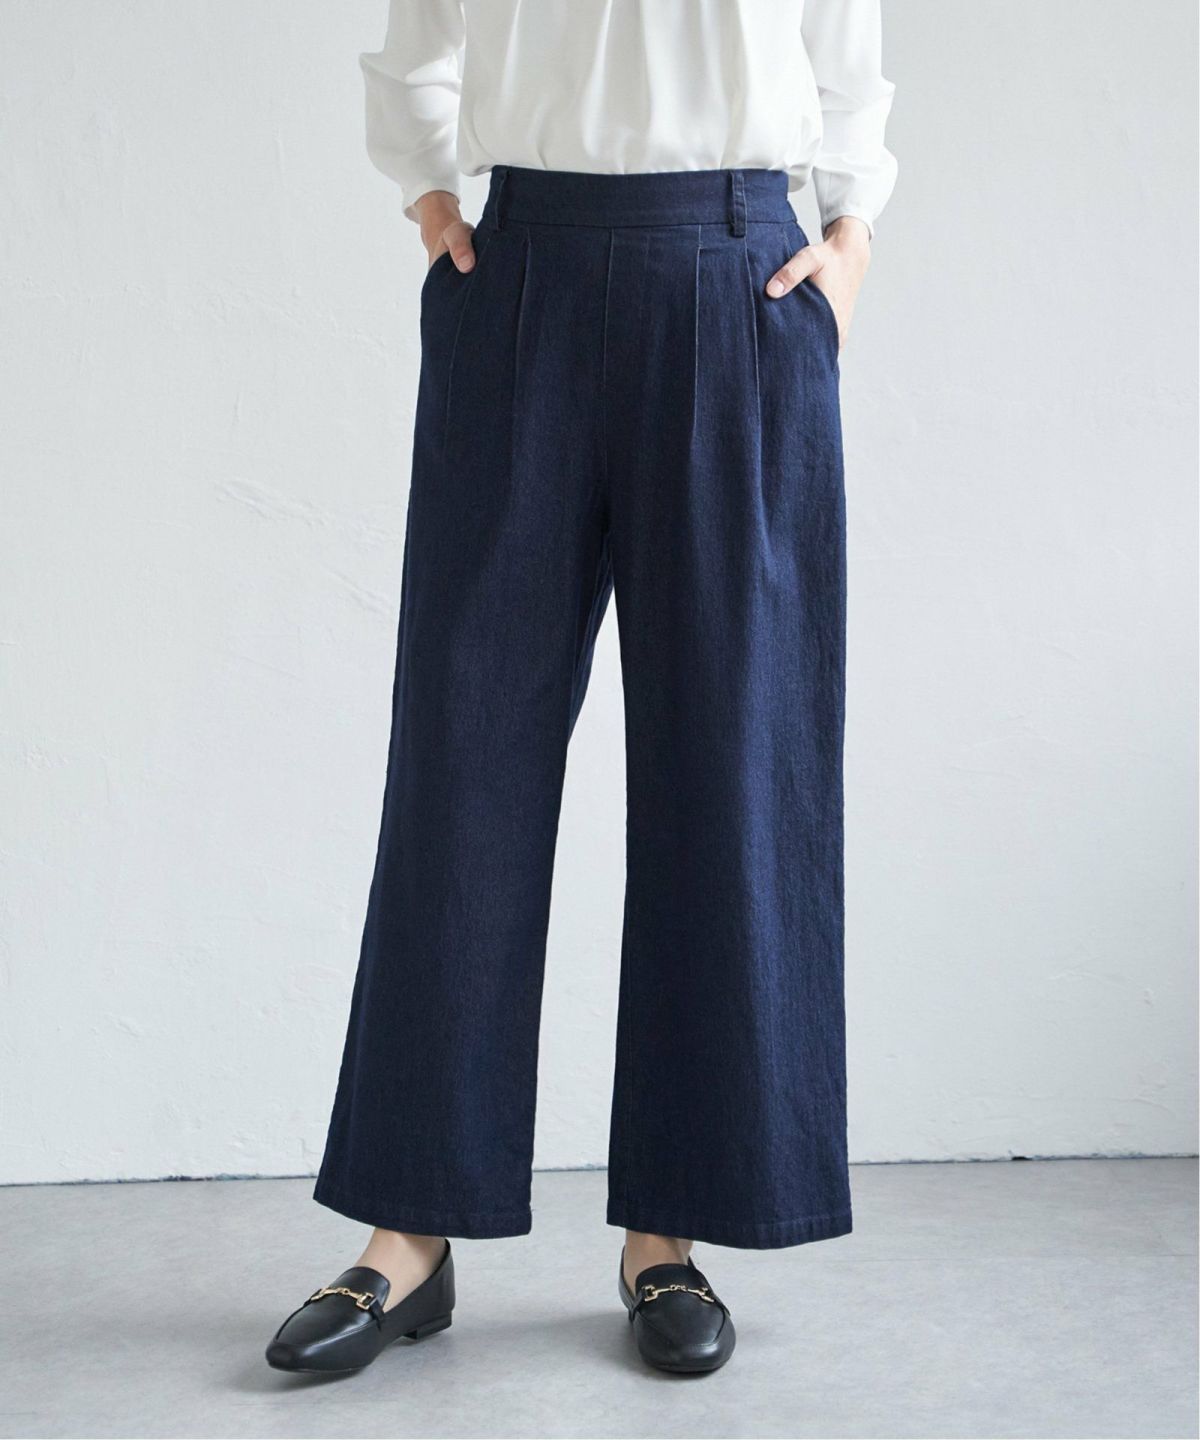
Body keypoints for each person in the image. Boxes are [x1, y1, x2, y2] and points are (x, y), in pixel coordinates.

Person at [267, 0, 897, 1378]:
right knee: (464, 756)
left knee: (727, 760)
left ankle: (670, 1230)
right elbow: (413, 53)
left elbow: (849, 65)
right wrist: (434, 204)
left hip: (738, 277)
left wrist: (849, 241)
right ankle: (408, 1229)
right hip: (523, 275)